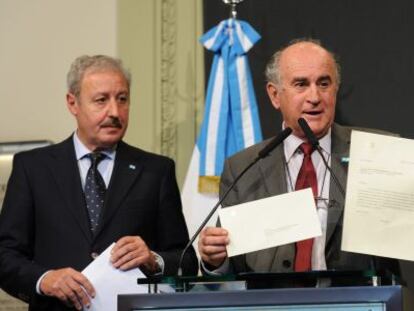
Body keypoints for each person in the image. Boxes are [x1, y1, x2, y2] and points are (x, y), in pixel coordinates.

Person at [0, 55, 198, 310]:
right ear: (73, 103)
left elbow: (187, 260)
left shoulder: (156, 171)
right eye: (101, 100)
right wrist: (44, 279)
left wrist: (153, 259)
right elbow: (5, 255)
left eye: (122, 99)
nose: (115, 112)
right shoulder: (33, 168)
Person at [198, 39, 400, 276]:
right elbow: (233, 264)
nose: (314, 96)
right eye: (301, 84)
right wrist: (215, 259)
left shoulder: (377, 153)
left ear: (335, 90)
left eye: (324, 83)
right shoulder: (243, 167)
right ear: (275, 95)